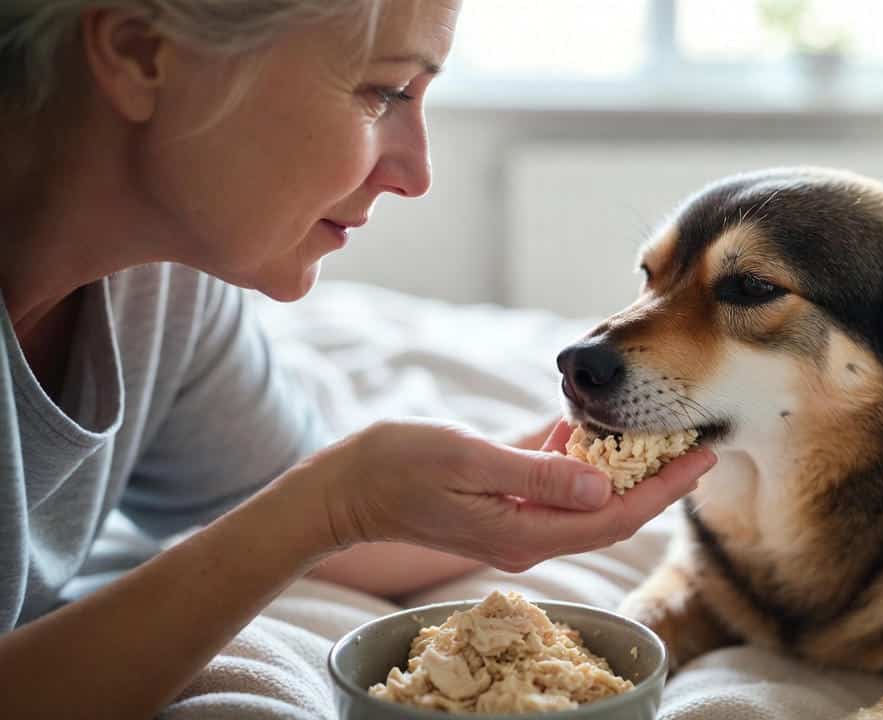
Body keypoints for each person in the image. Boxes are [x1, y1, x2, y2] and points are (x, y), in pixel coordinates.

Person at [0, 1, 717, 717]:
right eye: (385, 92)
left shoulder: (163, 287)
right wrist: (332, 502)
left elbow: (322, 528)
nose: (416, 174)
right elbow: (314, 512)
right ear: (140, 54)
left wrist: (565, 460)